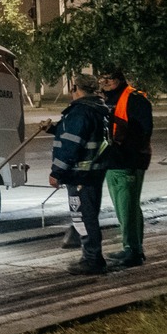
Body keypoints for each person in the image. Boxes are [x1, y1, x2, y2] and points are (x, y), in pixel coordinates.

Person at [48, 72, 112, 274]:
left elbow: (71, 144)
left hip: (80, 175)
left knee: (83, 217)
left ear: (76, 88)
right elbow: (82, 134)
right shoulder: (96, 109)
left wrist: (57, 172)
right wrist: (53, 129)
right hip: (93, 173)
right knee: (89, 215)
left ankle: (92, 259)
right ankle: (91, 257)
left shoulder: (80, 112)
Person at [98, 68, 153, 267]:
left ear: (120, 80)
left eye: (109, 78)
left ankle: (132, 251)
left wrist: (126, 150)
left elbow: (144, 130)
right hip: (115, 159)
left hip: (128, 160)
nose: (105, 82)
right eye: (102, 78)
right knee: (126, 206)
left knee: (127, 206)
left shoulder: (134, 98)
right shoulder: (106, 99)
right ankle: (133, 248)